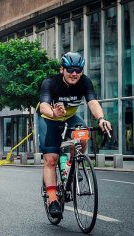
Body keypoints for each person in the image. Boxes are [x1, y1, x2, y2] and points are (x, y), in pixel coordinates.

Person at [38, 52, 112, 218]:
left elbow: (92, 102)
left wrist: (101, 119)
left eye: (78, 70)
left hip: (70, 117)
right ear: (62, 69)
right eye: (70, 70)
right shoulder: (50, 82)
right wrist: (53, 113)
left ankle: (72, 164)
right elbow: (43, 106)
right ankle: (53, 200)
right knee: (51, 159)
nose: (74, 74)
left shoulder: (84, 81)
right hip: (49, 119)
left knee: (83, 134)